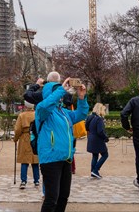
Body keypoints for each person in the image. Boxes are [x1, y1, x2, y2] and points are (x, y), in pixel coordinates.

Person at [36, 71, 88, 212]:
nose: (60, 96)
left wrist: (82, 98)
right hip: (51, 159)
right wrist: (60, 90)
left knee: (63, 197)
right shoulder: (42, 110)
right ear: (50, 93)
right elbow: (46, 106)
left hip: (66, 158)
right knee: (51, 198)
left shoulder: (64, 112)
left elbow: (81, 114)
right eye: (56, 92)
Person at [13, 101, 40, 189]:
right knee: (35, 160)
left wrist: (15, 139)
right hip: (35, 137)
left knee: (24, 161)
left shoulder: (22, 115)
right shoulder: (37, 114)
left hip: (25, 137)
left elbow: (17, 129)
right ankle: (36, 181)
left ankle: (23, 181)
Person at [85, 103, 109, 179]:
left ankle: (93, 172)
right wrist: (105, 138)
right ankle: (95, 170)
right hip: (98, 140)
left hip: (91, 138)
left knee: (95, 155)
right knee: (105, 155)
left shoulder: (90, 117)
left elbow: (86, 128)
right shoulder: (99, 118)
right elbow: (100, 131)